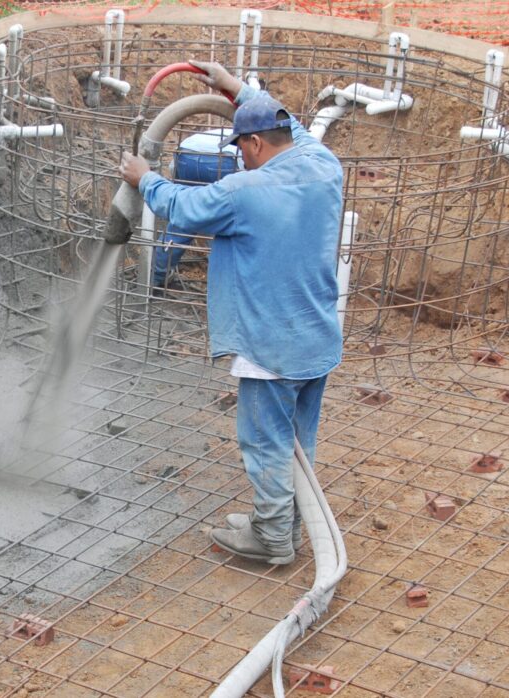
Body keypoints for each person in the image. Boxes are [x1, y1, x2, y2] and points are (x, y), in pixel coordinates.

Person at [118, 60, 344, 565]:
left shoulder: (247, 192)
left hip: (270, 344)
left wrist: (145, 177)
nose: (239, 157)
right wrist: (238, 91)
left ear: (256, 144)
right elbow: (298, 128)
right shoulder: (324, 164)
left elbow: (184, 207)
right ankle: (286, 522)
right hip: (316, 337)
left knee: (264, 442)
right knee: (297, 444)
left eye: (240, 147)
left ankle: (271, 539)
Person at [152, 129, 239, 293]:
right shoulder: (272, 145)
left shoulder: (235, 131)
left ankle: (157, 276)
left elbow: (173, 170)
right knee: (225, 222)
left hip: (185, 154)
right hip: (224, 160)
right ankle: (223, 285)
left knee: (183, 219)